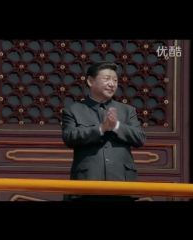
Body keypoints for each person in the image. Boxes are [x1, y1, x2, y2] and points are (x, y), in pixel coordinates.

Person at [61, 61, 147, 201]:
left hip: (122, 183)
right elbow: (69, 137)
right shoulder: (73, 110)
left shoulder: (127, 110)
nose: (112, 84)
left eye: (115, 80)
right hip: (86, 183)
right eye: (106, 79)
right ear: (90, 81)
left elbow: (140, 138)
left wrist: (116, 125)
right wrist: (100, 129)